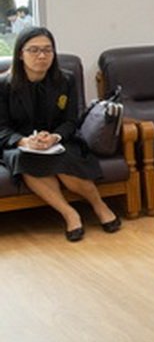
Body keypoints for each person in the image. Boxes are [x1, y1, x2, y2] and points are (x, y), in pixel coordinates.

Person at [0, 26, 122, 240]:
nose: (41, 56)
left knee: (63, 156)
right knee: (24, 159)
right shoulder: (3, 85)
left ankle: (98, 205)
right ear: (20, 54)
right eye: (34, 50)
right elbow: (1, 128)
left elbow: (71, 120)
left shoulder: (65, 79)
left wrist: (55, 137)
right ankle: (69, 214)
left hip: (59, 140)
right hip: (19, 145)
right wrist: (24, 142)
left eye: (47, 50)